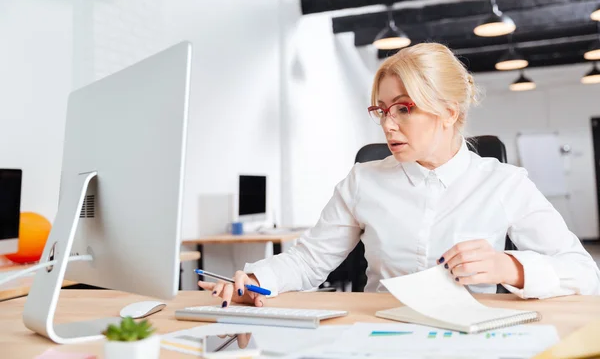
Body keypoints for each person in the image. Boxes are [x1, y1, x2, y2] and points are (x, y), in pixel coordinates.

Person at [199, 42, 600, 307]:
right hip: (375, 332)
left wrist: (508, 267)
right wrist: (253, 277)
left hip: (467, 339)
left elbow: (585, 273)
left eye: (404, 108)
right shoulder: (363, 180)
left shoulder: (504, 183)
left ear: (449, 112)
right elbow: (307, 262)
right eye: (382, 110)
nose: (388, 125)